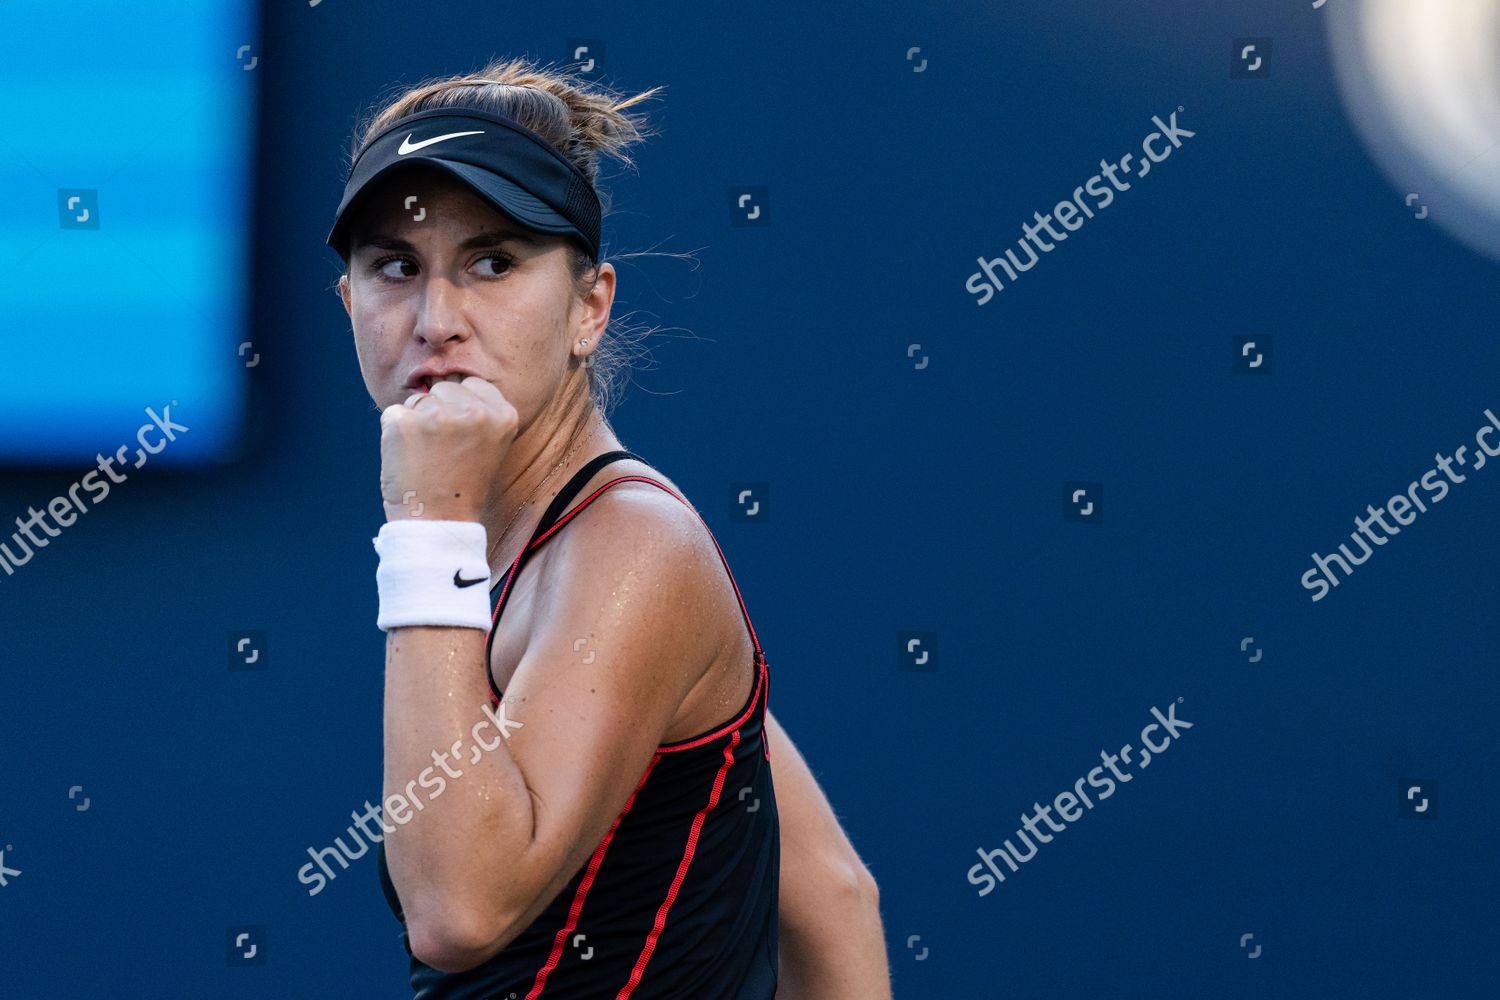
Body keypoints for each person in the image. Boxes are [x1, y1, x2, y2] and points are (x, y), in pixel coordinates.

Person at [326, 57, 892, 998]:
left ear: (590, 307)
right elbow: (833, 893)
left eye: (494, 263)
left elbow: (460, 911)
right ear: (349, 305)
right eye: (395, 267)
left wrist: (428, 521)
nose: (435, 319)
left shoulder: (633, 548)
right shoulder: (549, 548)